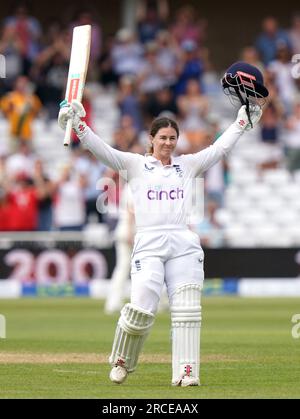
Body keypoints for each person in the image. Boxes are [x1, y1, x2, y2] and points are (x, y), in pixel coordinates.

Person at [58, 62, 267, 387]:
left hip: (183, 243)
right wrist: (79, 125)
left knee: (187, 311)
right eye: (163, 137)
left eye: (173, 138)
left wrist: (241, 122)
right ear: (151, 139)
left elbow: (220, 148)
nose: (169, 143)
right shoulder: (135, 165)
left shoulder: (188, 165)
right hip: (149, 244)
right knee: (141, 309)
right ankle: (123, 361)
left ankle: (186, 373)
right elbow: (102, 151)